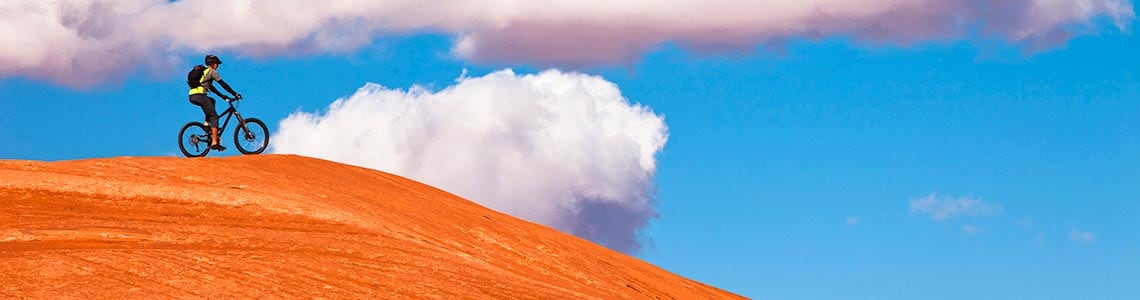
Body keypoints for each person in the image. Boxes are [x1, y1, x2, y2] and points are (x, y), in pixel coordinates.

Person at [188, 54, 242, 151]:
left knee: (212, 101)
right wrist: (235, 94)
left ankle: (206, 124)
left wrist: (222, 96)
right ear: (213, 64)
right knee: (214, 117)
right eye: (217, 64)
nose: (218, 66)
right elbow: (223, 84)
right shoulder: (212, 72)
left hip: (192, 96)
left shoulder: (204, 71)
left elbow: (210, 87)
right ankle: (214, 143)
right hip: (200, 96)